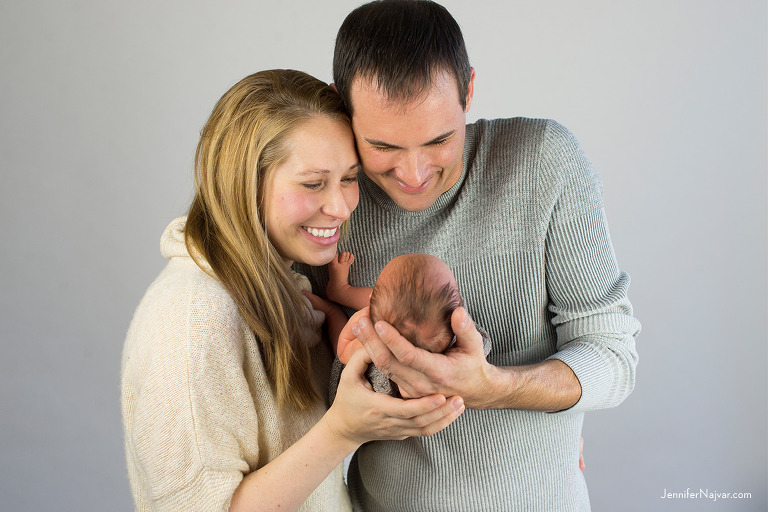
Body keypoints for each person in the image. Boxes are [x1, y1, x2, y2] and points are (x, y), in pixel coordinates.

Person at [295, 1, 640, 510]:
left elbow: (612, 356)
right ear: (340, 106)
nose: (413, 174)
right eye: (383, 146)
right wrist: (361, 367)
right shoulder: (329, 206)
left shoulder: (543, 162)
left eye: (439, 139)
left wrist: (495, 387)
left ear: (469, 90)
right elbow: (302, 397)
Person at [120, 69, 465, 512]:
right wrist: (343, 430)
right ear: (245, 183)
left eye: (348, 178)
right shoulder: (189, 320)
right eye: (313, 183)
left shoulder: (289, 290)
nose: (341, 207)